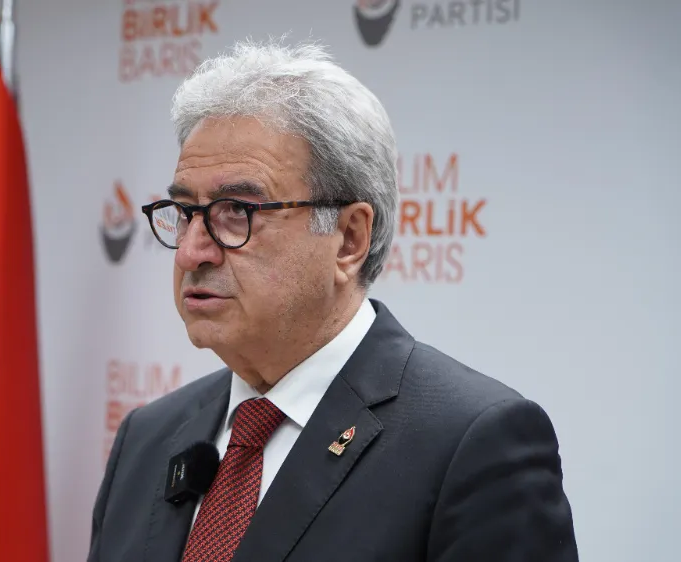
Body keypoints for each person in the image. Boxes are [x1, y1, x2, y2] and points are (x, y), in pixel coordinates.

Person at [87, 39, 578, 562]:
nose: (191, 251)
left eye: (236, 212)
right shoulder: (147, 437)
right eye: (186, 212)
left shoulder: (472, 444)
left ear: (348, 239)